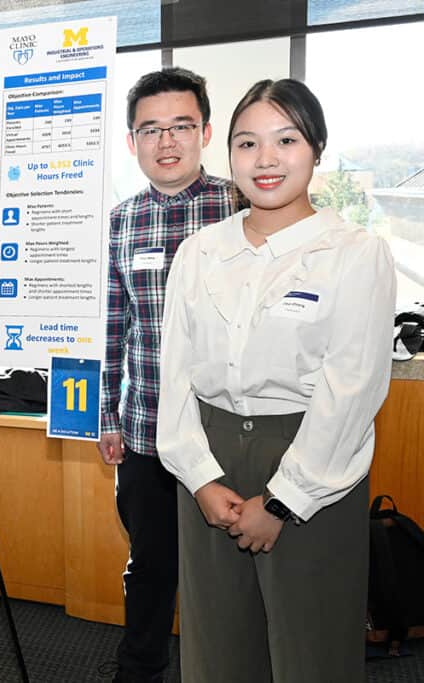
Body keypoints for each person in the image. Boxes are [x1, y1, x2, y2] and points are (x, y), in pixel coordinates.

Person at [157, 78, 395, 682]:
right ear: (227, 154)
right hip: (208, 461)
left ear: (315, 148)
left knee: (309, 647)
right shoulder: (200, 251)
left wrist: (285, 500)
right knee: (215, 646)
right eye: (247, 143)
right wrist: (201, 478)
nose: (265, 160)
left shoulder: (354, 253)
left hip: (313, 458)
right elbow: (176, 376)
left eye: (285, 140)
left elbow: (352, 390)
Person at [97, 67, 232, 683]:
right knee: (150, 565)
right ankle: (140, 670)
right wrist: (107, 417)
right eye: (150, 129)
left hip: (227, 431)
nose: (167, 140)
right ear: (132, 142)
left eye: (181, 125)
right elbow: (111, 328)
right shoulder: (119, 221)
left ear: (204, 130)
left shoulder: (242, 205)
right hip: (148, 432)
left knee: (229, 569)